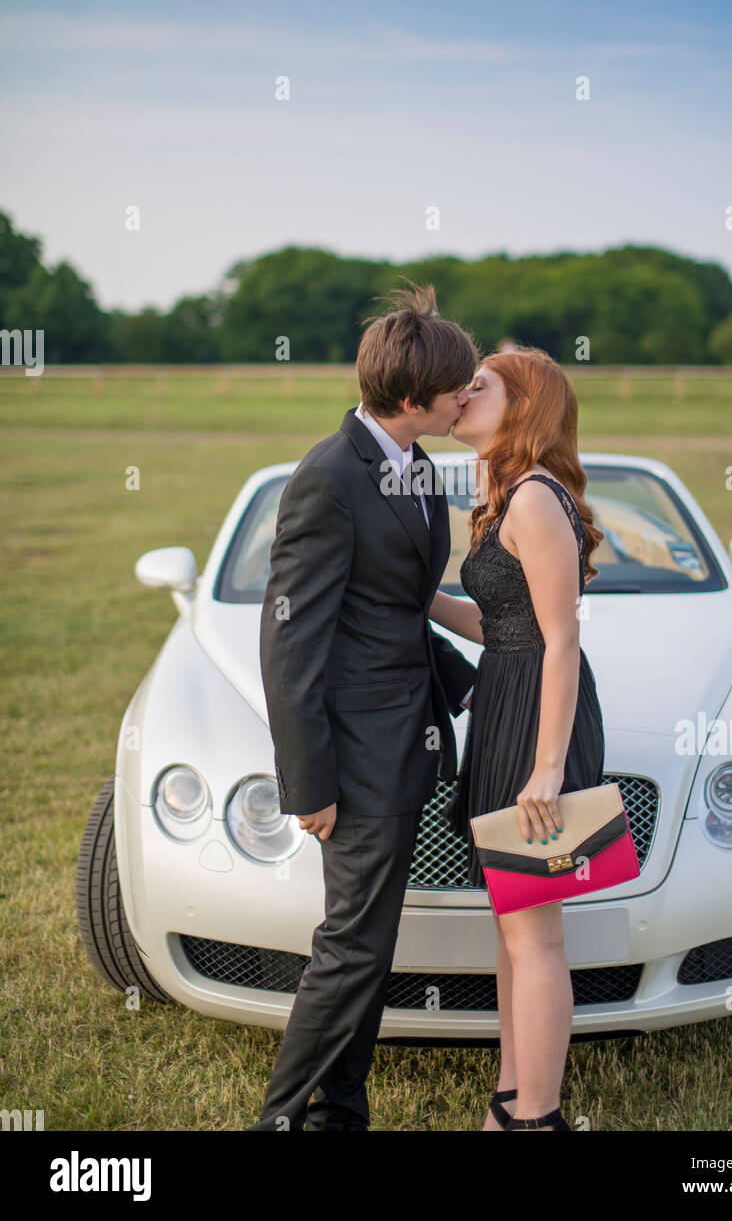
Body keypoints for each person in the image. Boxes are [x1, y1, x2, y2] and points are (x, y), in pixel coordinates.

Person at [246, 280, 480, 1131]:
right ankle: (282, 1119)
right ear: (414, 397)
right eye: (460, 383)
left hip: (406, 742)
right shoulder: (329, 477)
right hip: (353, 757)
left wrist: (473, 677)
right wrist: (306, 784)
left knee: (369, 945)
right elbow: (290, 644)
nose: (471, 390)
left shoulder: (417, 466)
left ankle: (339, 1110)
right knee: (351, 946)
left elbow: (390, 610)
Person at [431, 347, 606, 1132]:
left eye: (481, 386)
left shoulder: (535, 498)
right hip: (506, 694)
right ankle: (511, 1095)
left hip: (539, 715)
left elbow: (560, 640)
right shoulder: (507, 497)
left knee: (534, 933)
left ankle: (535, 1119)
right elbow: (501, 625)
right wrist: (417, 597)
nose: (461, 395)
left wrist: (546, 771)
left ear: (524, 404)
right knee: (513, 920)